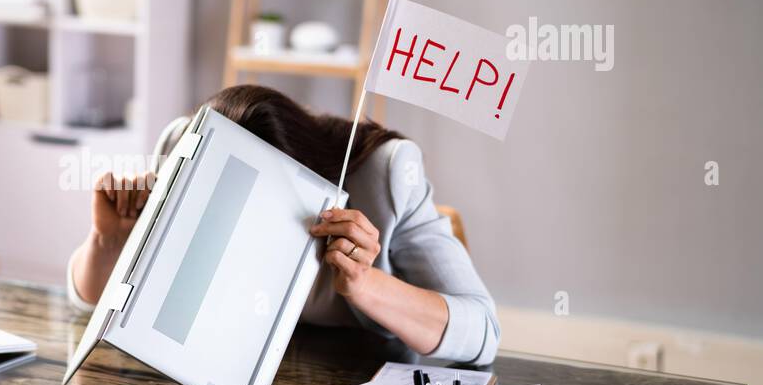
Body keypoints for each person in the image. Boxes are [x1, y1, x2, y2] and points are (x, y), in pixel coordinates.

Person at [66, 85, 500, 365]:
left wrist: (366, 285)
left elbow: (482, 332)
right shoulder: (180, 147)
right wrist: (110, 240)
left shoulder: (385, 175)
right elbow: (87, 303)